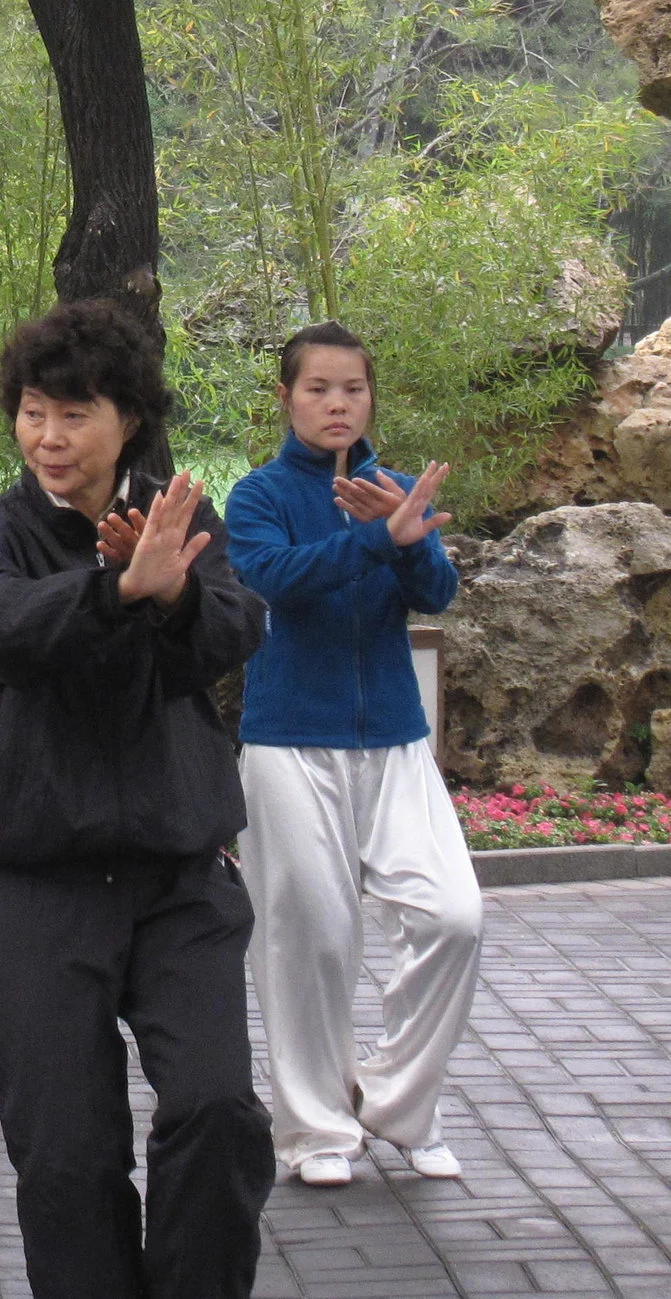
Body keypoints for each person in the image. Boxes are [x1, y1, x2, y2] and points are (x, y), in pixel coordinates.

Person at [0, 297, 274, 1299]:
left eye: (74, 414)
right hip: (33, 887)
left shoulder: (180, 519)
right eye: (34, 411)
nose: (49, 436)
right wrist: (113, 588)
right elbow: (3, 628)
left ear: (126, 418)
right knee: (69, 1162)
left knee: (219, 1113)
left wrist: (169, 590)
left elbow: (233, 628)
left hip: (178, 880)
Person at [225, 321, 477, 1189]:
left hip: (396, 743)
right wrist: (376, 538)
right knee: (313, 938)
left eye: (353, 389)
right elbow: (274, 581)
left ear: (372, 397)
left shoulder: (397, 488)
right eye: (318, 389)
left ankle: (396, 1103)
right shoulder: (256, 495)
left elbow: (437, 591)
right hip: (290, 740)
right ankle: (316, 1130)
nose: (337, 403)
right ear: (287, 398)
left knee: (454, 918)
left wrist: (409, 540)